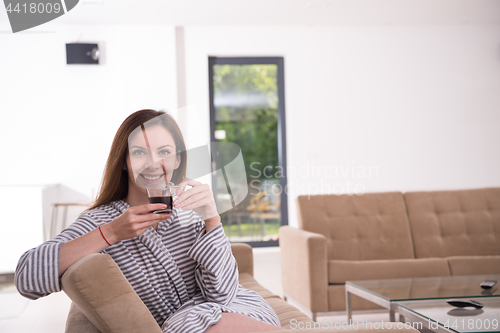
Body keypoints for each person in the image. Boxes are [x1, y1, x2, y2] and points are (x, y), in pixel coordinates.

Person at [15, 109, 283, 333]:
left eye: (164, 151)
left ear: (178, 159)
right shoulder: (102, 220)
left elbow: (223, 294)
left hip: (237, 311)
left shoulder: (190, 213)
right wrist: (111, 233)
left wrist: (212, 218)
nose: (154, 163)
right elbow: (26, 277)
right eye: (140, 153)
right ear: (124, 162)